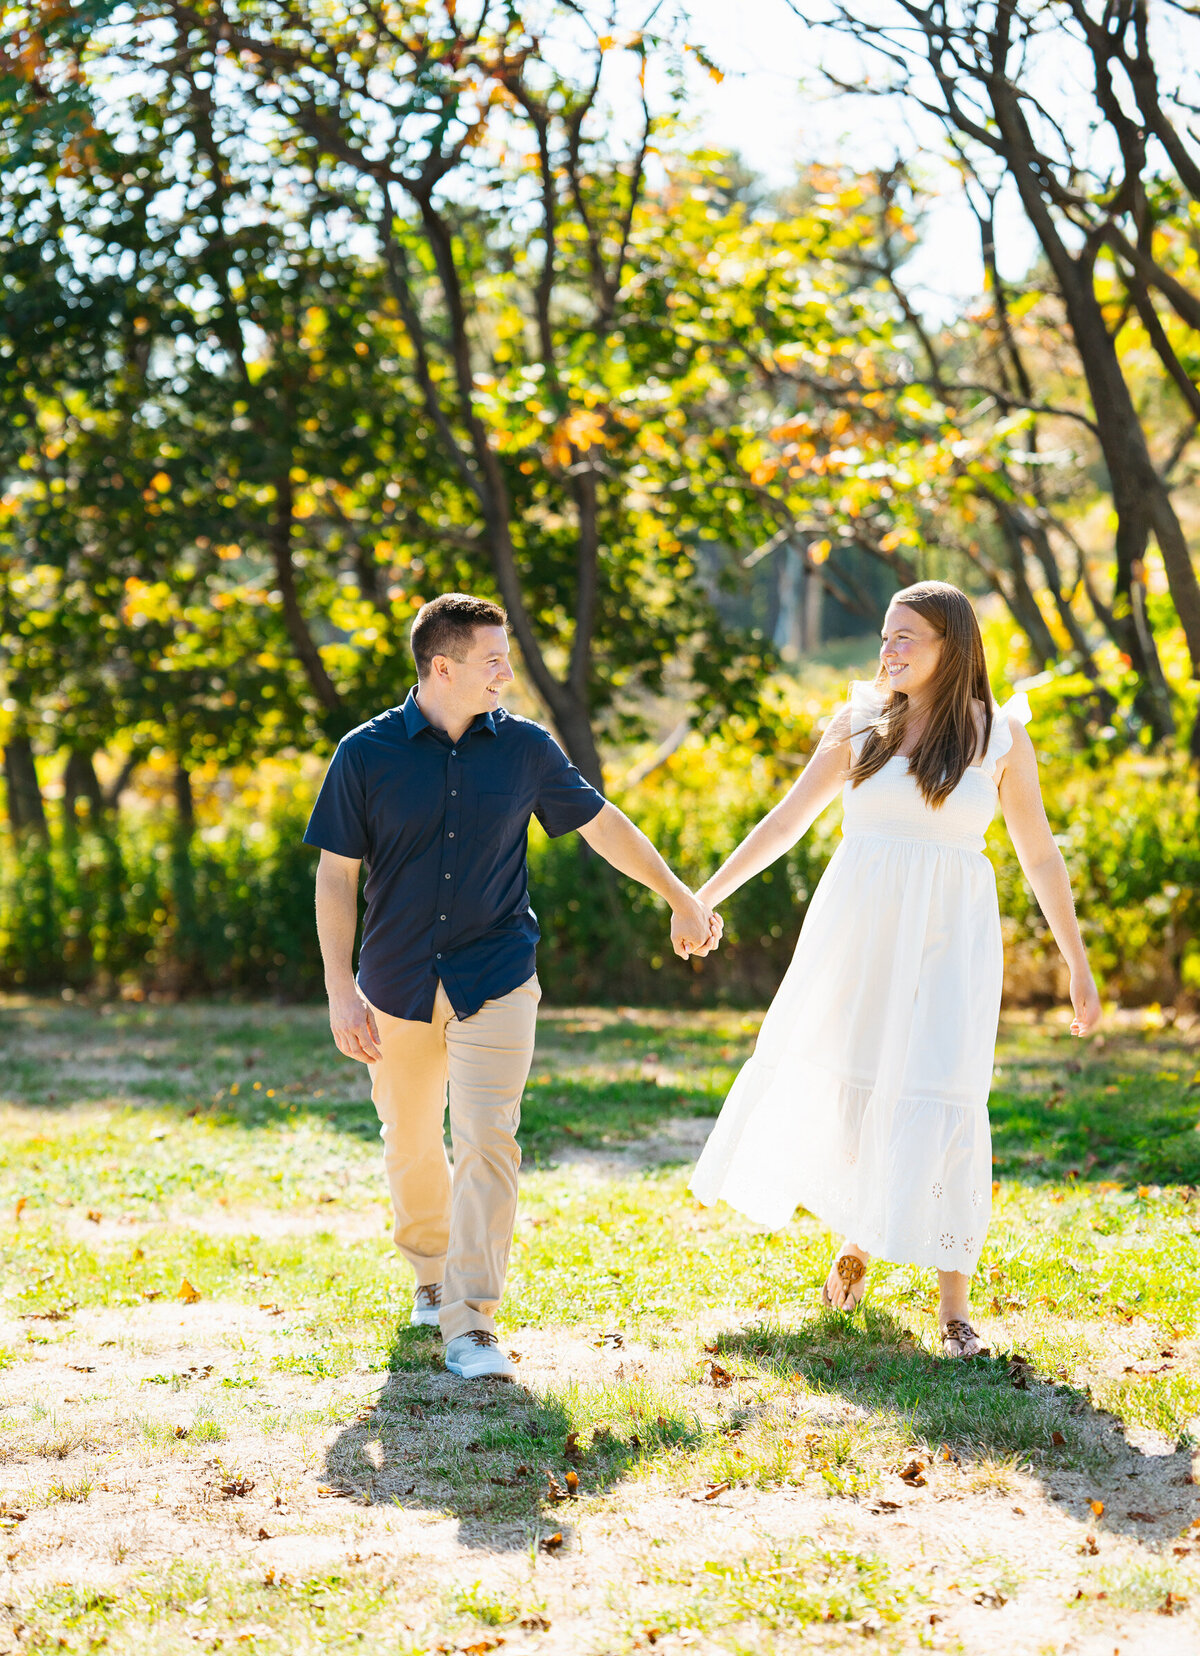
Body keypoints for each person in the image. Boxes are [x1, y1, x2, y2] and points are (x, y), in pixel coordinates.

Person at [304, 592, 721, 1380]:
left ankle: (472, 1322)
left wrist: (679, 894)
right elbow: (335, 877)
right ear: (443, 666)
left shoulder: (526, 749)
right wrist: (338, 987)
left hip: (496, 977)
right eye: (493, 659)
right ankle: (430, 1276)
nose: (507, 671)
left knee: (489, 1140)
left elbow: (603, 824)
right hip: (393, 982)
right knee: (411, 1140)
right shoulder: (365, 754)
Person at [688, 581, 1101, 1358]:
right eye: (885, 635)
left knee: (945, 1089)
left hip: (953, 939)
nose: (890, 650)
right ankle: (861, 1232)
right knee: (859, 1091)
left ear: (954, 646)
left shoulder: (999, 737)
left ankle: (954, 1310)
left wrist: (1076, 964)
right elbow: (787, 820)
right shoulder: (860, 722)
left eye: (907, 636)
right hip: (859, 933)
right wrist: (702, 896)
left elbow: (1039, 855)